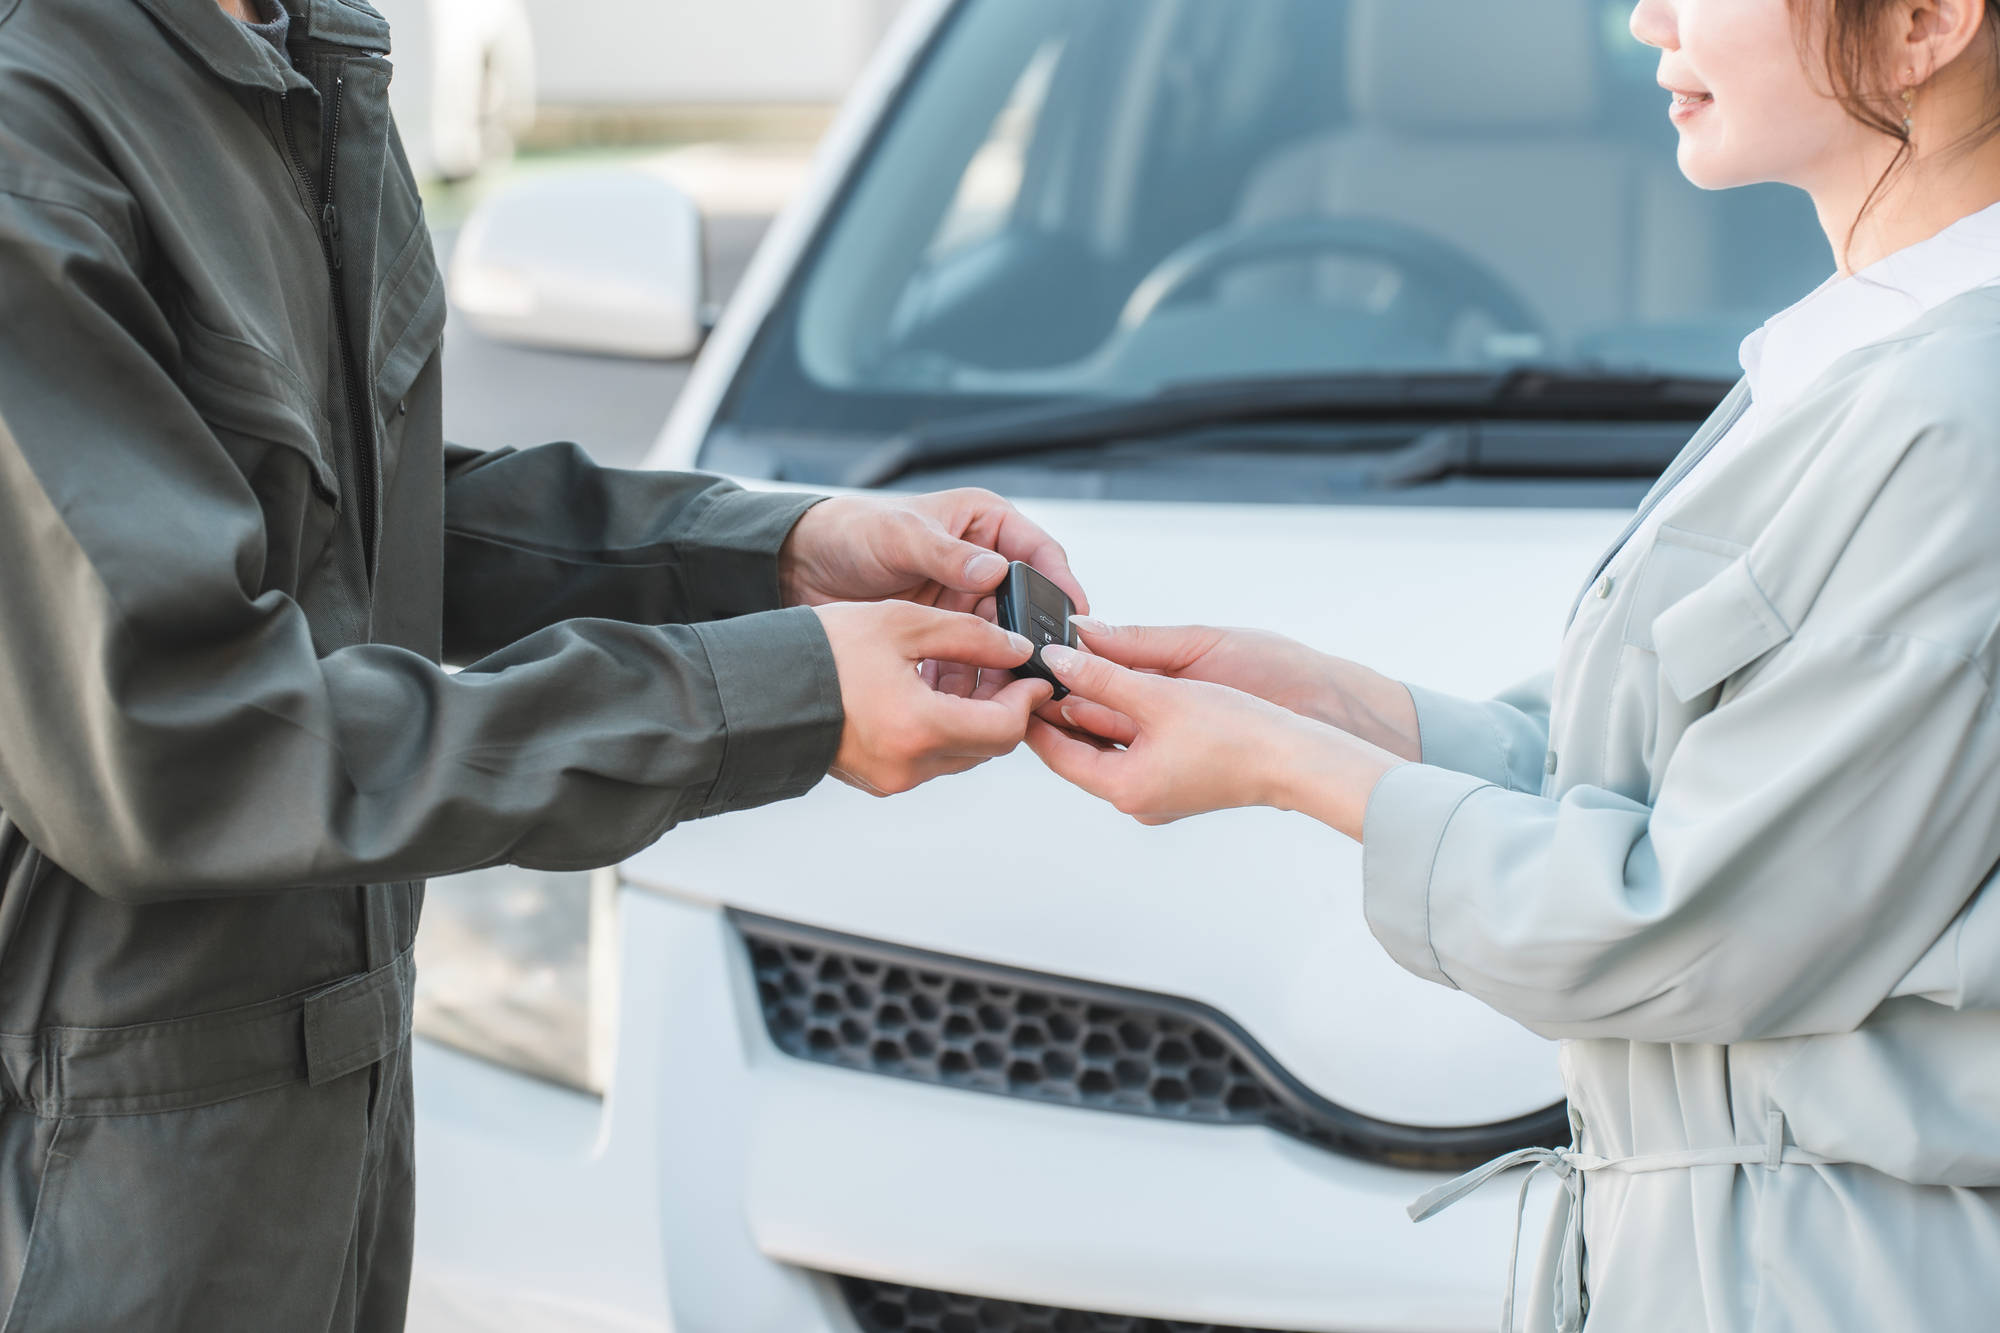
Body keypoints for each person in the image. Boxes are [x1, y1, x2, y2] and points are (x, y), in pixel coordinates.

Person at [0, 0, 1080, 1328]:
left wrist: (778, 555)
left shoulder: (297, 54)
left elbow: (360, 536)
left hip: (313, 1158)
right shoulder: (30, 132)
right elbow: (183, 741)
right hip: (102, 1204)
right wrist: (778, 689)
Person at [1029, 0, 2000, 1328]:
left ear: (1926, 22)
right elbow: (1687, 767)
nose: (1647, 15)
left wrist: (1287, 767)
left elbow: (1686, 917)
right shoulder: (1859, 358)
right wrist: (1339, 705)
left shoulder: (1954, 420)